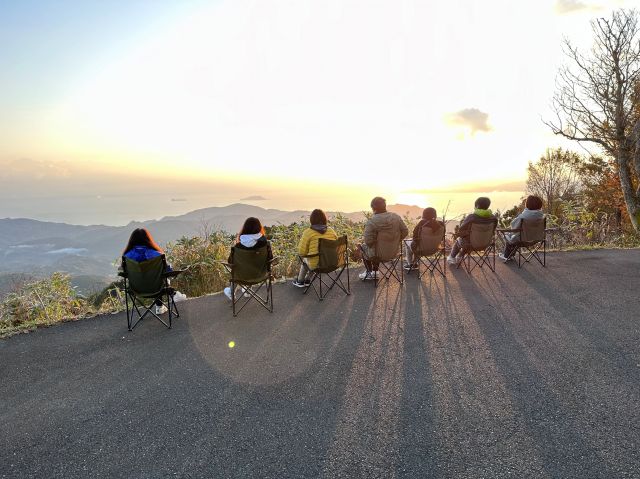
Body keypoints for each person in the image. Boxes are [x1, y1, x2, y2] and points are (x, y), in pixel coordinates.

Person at [122, 228, 186, 314]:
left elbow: (124, 272)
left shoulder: (126, 257)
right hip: (157, 288)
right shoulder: (157, 255)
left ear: (132, 241)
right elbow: (168, 271)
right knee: (159, 277)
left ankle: (160, 306)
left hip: (136, 289)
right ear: (148, 239)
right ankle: (172, 295)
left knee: (153, 278)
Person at [357, 196, 409, 280]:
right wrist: (396, 240)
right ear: (385, 206)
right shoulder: (396, 217)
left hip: (378, 255)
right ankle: (375, 271)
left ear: (373, 208)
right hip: (393, 252)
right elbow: (405, 231)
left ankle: (370, 272)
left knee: (363, 246)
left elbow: (368, 242)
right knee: (375, 247)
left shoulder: (372, 221)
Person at [224, 217, 273, 300]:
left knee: (237, 269)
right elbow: (270, 258)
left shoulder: (238, 247)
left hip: (242, 277)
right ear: (259, 227)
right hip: (261, 274)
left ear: (245, 228)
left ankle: (231, 292)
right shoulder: (265, 243)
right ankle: (247, 291)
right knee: (252, 263)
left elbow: (230, 262)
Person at [292, 209, 338, 287]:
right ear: (324, 219)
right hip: (332, 263)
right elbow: (337, 246)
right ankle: (308, 280)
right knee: (314, 258)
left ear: (312, 220)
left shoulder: (308, 232)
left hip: (317, 266)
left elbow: (301, 252)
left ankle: (300, 281)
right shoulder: (331, 231)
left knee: (307, 260)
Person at [447, 197, 497, 265]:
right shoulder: (493, 218)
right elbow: (493, 231)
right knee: (467, 240)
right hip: (486, 244)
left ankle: (452, 257)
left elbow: (461, 230)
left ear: (477, 206)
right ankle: (459, 257)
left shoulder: (472, 217)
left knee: (460, 240)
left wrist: (460, 234)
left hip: (471, 245)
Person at [499, 195, 544, 262]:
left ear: (527, 205)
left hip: (522, 240)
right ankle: (509, 255)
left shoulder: (523, 217)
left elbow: (513, 227)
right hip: (536, 239)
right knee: (514, 236)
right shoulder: (542, 217)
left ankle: (507, 255)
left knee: (508, 235)